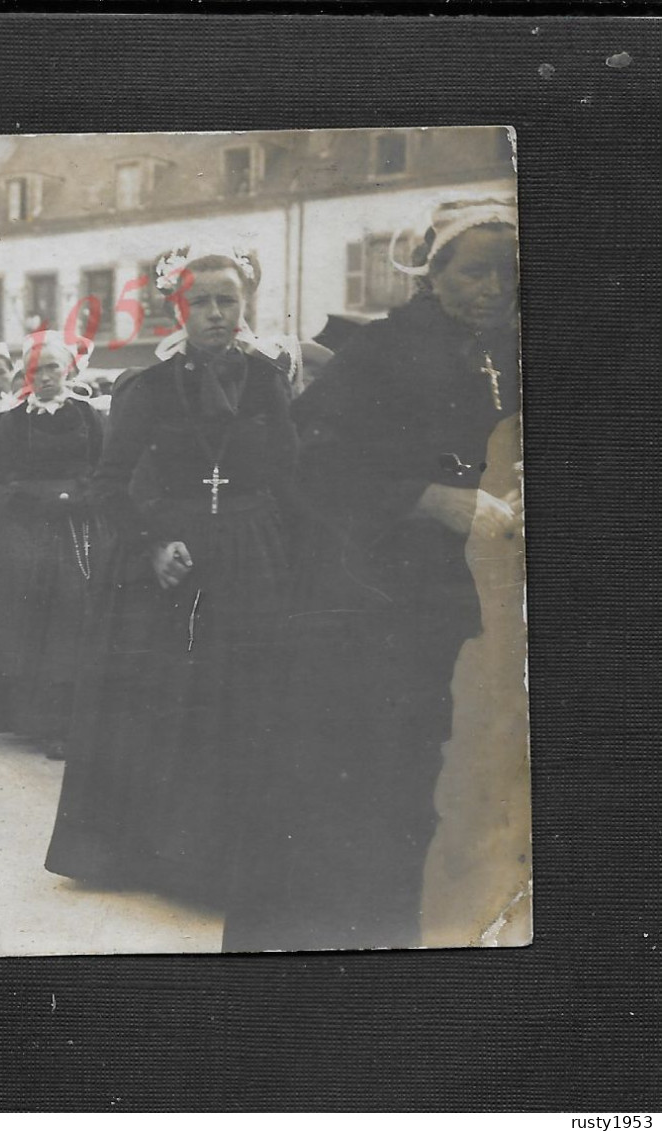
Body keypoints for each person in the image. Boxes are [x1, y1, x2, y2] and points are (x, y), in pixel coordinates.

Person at [222, 200, 522, 951]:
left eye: (509, 274)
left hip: (474, 610)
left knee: (438, 796)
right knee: (366, 794)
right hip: (373, 606)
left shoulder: (507, 352)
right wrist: (425, 498)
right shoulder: (384, 349)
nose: (495, 288)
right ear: (432, 270)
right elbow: (311, 463)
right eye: (476, 271)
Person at [44, 247, 299, 907]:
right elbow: (109, 486)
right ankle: (160, 855)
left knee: (241, 703)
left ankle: (225, 861)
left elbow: (288, 479)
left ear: (246, 306)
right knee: (171, 703)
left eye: (228, 301)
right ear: (179, 310)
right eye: (202, 303)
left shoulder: (269, 379)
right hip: (173, 567)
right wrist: (152, 544)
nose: (216, 314)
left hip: (250, 558)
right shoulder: (145, 389)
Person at [0, 331, 104, 755]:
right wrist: (32, 502)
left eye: (53, 367)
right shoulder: (11, 422)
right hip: (24, 533)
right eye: (37, 370)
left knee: (73, 619)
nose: (45, 377)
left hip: (80, 530)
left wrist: (78, 497)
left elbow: (108, 468)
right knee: (29, 620)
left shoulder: (89, 416)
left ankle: (71, 719)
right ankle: (38, 720)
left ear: (69, 370)